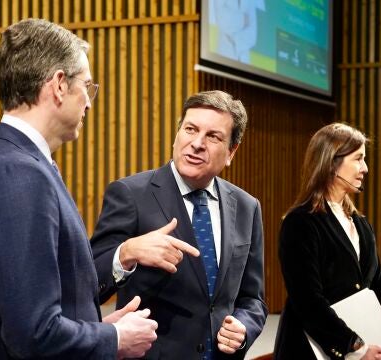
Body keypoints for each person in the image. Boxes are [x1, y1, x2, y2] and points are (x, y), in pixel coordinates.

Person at [0, 18, 158, 359]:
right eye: (87, 87)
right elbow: (33, 333)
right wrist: (114, 340)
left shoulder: (13, 161)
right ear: (59, 85)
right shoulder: (18, 175)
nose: (89, 104)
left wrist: (101, 328)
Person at [91, 90, 268, 359]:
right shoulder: (130, 194)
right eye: (190, 129)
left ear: (232, 151)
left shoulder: (247, 207)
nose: (197, 143)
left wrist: (244, 328)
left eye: (213, 136)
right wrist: (125, 253)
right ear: (177, 134)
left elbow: (253, 299)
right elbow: (90, 280)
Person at [273, 123, 381, 360]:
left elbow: (378, 290)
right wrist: (355, 347)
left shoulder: (361, 224)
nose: (365, 168)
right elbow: (307, 301)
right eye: (358, 159)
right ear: (331, 163)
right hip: (310, 351)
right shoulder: (300, 222)